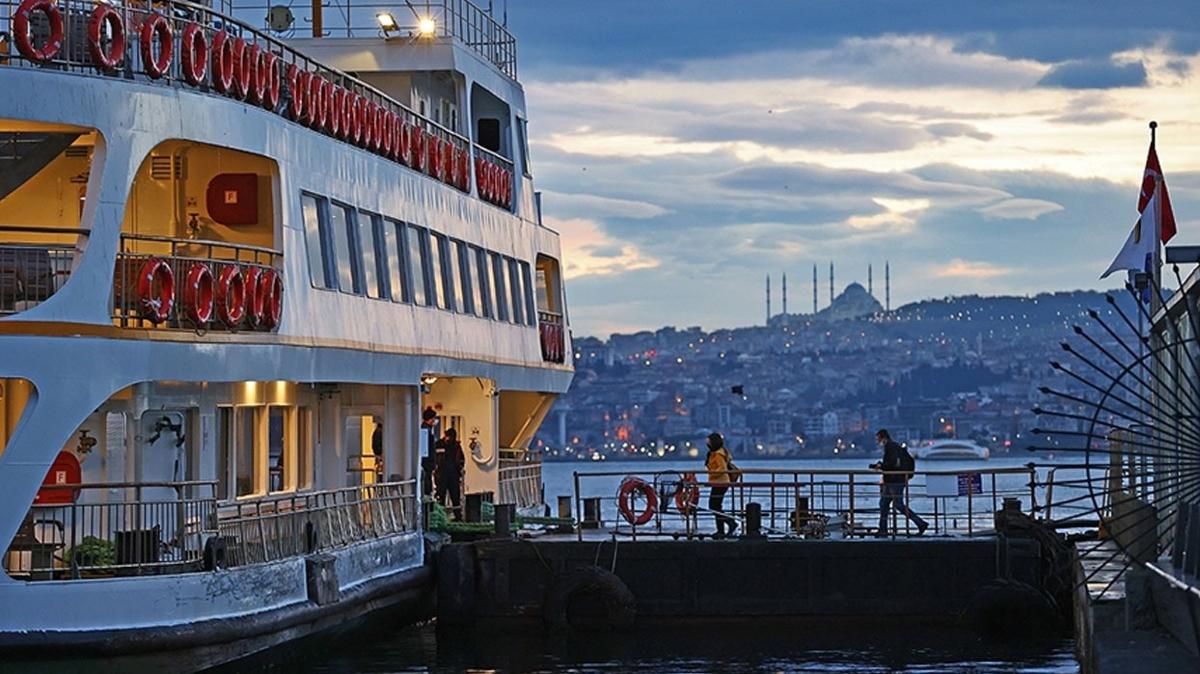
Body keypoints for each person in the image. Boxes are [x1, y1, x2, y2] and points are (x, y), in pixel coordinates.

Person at [871, 429, 928, 536]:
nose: (877, 440)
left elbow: (893, 464)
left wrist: (881, 466)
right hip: (894, 480)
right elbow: (895, 462)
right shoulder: (894, 446)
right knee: (884, 504)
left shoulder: (890, 447)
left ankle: (920, 523)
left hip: (895, 481)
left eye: (878, 438)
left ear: (882, 437)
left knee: (898, 505)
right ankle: (883, 529)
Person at [704, 432, 739, 539]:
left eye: (708, 441)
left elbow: (722, 468)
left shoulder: (718, 454)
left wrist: (712, 473)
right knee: (716, 506)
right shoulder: (716, 453)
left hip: (721, 482)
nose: (707, 443)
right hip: (719, 482)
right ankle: (722, 529)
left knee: (714, 506)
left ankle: (729, 523)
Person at [434, 427, 465, 520]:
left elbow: (461, 459)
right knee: (440, 496)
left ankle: (458, 517)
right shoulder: (438, 445)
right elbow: (434, 457)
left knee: (455, 496)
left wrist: (459, 468)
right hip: (441, 474)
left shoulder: (456, 446)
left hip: (453, 474)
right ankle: (440, 517)